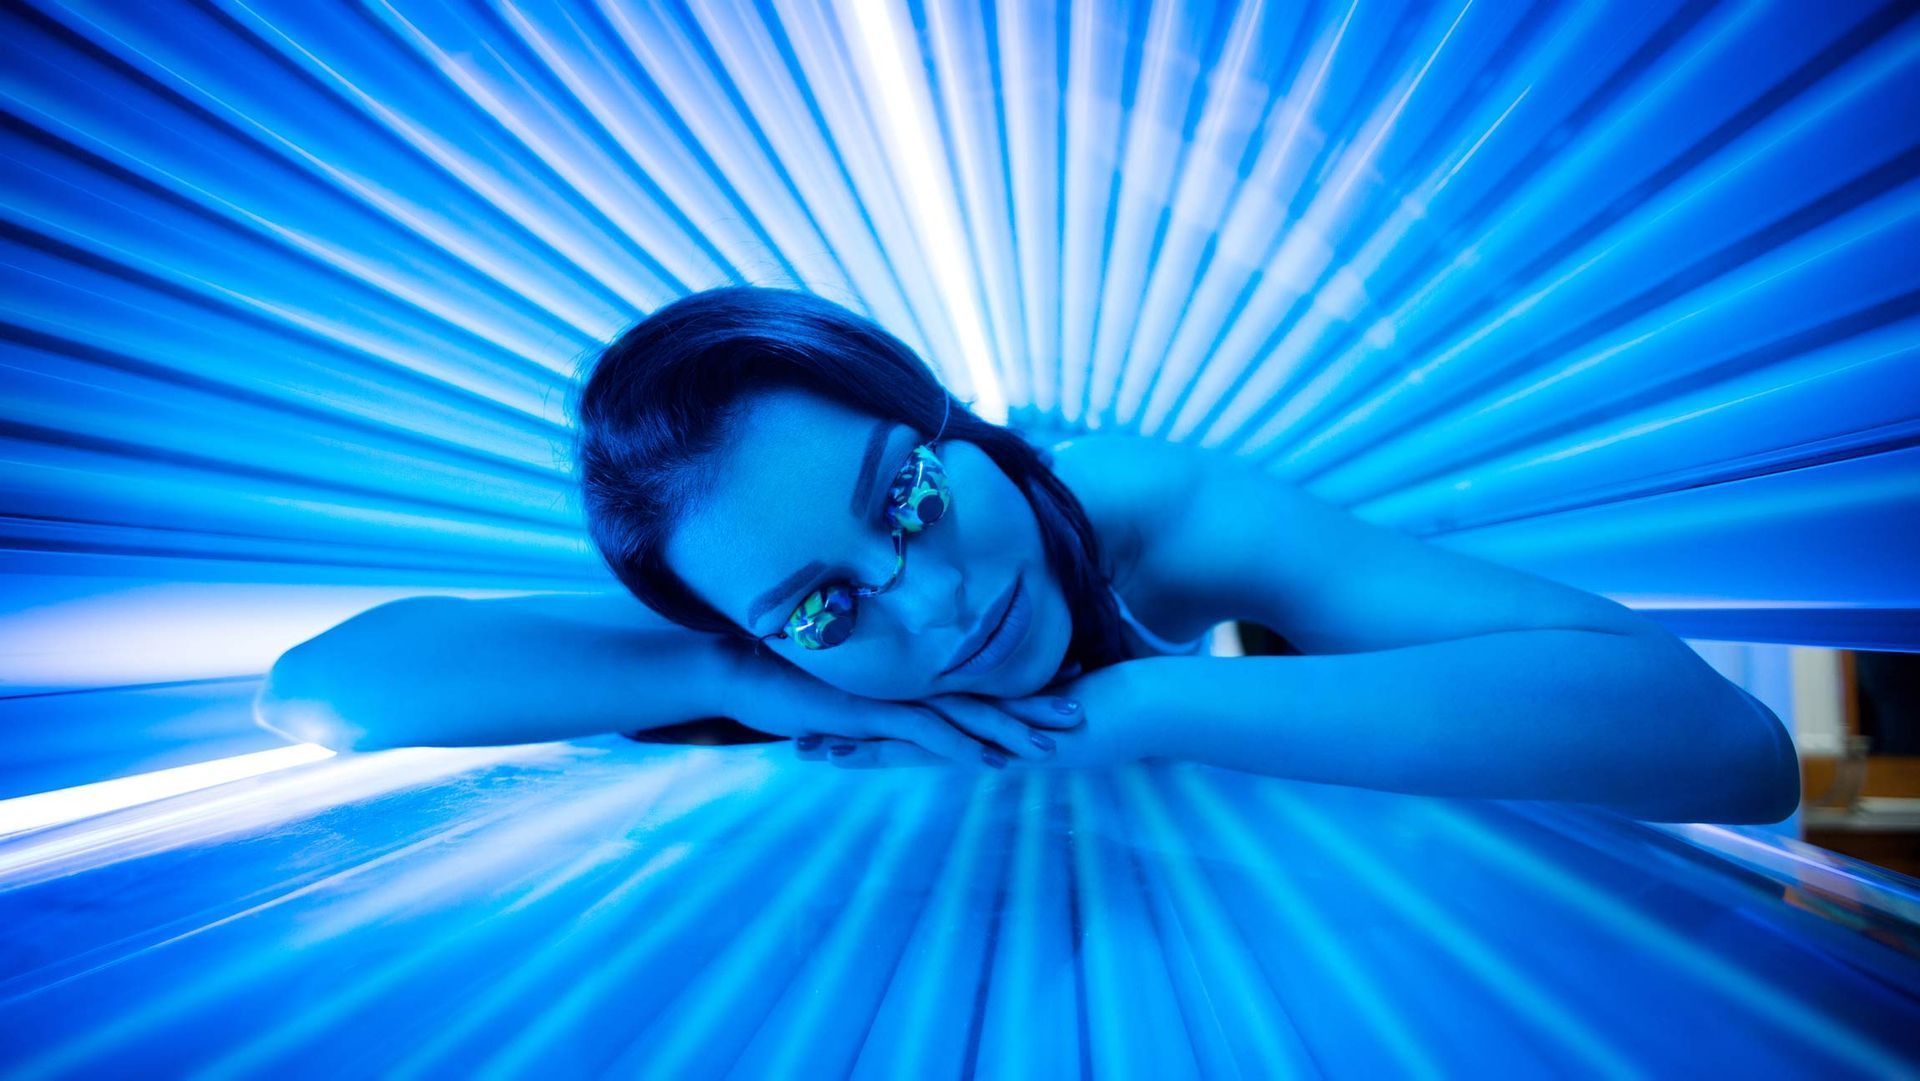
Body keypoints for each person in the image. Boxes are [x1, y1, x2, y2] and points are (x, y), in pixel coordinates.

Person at [255, 286, 1800, 824]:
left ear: (949, 420)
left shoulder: (1143, 510)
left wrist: (1143, 706)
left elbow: (1730, 749)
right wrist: (757, 677)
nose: (937, 598)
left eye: (907, 495)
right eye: (823, 603)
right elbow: (315, 692)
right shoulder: (762, 633)